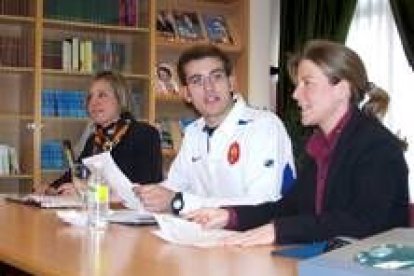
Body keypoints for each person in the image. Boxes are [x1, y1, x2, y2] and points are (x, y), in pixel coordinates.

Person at [186, 40, 409, 246]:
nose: (295, 94)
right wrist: (230, 216)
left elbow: (364, 222)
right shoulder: (320, 147)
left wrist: (280, 230)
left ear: (342, 89)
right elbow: (289, 208)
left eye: (307, 83)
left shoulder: (377, 147)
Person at [134, 45, 295, 215]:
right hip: (210, 235)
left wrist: (180, 202)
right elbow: (175, 186)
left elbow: (261, 202)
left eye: (216, 77)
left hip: (262, 236)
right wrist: (145, 194)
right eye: (197, 81)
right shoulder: (193, 132)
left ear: (231, 83)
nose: (208, 88)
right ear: (186, 94)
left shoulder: (264, 126)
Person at [40, 70, 163, 195]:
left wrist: (88, 190)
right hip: (99, 211)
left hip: (132, 213)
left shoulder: (145, 134)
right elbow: (75, 174)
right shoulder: (95, 139)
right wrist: (49, 188)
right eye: (90, 97)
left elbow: (146, 187)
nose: (93, 102)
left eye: (102, 95)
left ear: (120, 98)